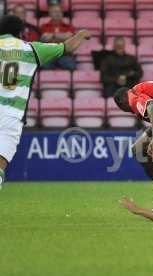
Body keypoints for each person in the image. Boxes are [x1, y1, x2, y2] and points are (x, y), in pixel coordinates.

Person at [0, 15, 90, 190]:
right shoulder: (31, 49)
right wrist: (81, 35)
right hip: (12, 115)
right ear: (21, 32)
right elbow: (68, 47)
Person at [40, 4, 76, 70]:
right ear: (50, 14)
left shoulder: (69, 26)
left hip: (65, 54)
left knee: (71, 66)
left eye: (59, 11)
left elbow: (70, 37)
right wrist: (62, 37)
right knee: (43, 67)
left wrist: (53, 35)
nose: (58, 13)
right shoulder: (44, 26)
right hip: (49, 54)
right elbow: (44, 39)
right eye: (55, 12)